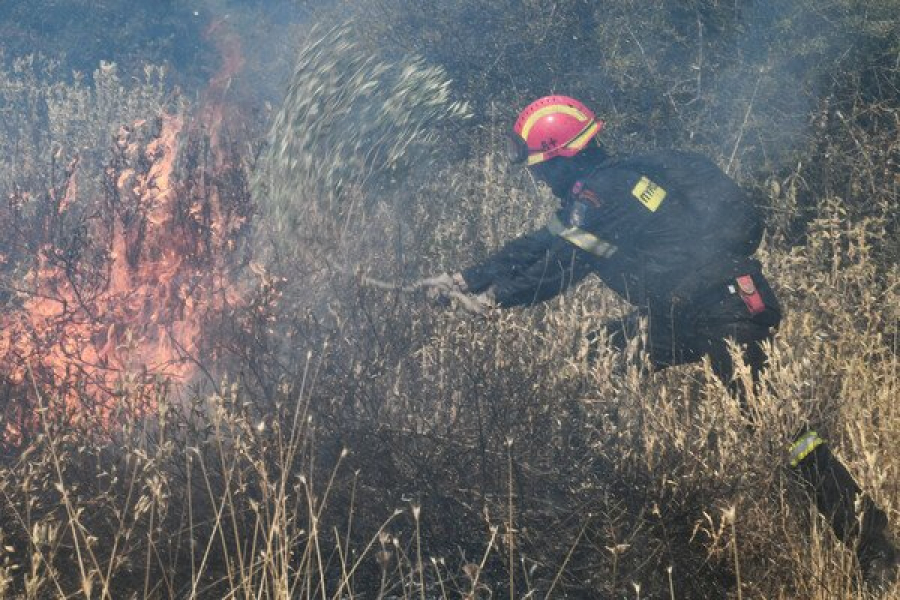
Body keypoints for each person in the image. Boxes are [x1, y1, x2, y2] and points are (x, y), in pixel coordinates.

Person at [421, 95, 898, 591]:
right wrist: (467, 277)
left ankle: (874, 548)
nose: (538, 179)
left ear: (563, 156)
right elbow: (540, 244)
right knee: (596, 354)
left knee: (785, 433)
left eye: (541, 167)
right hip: (681, 314)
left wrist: (496, 298)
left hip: (727, 310)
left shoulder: (605, 194)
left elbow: (560, 266)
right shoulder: (602, 188)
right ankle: (607, 503)